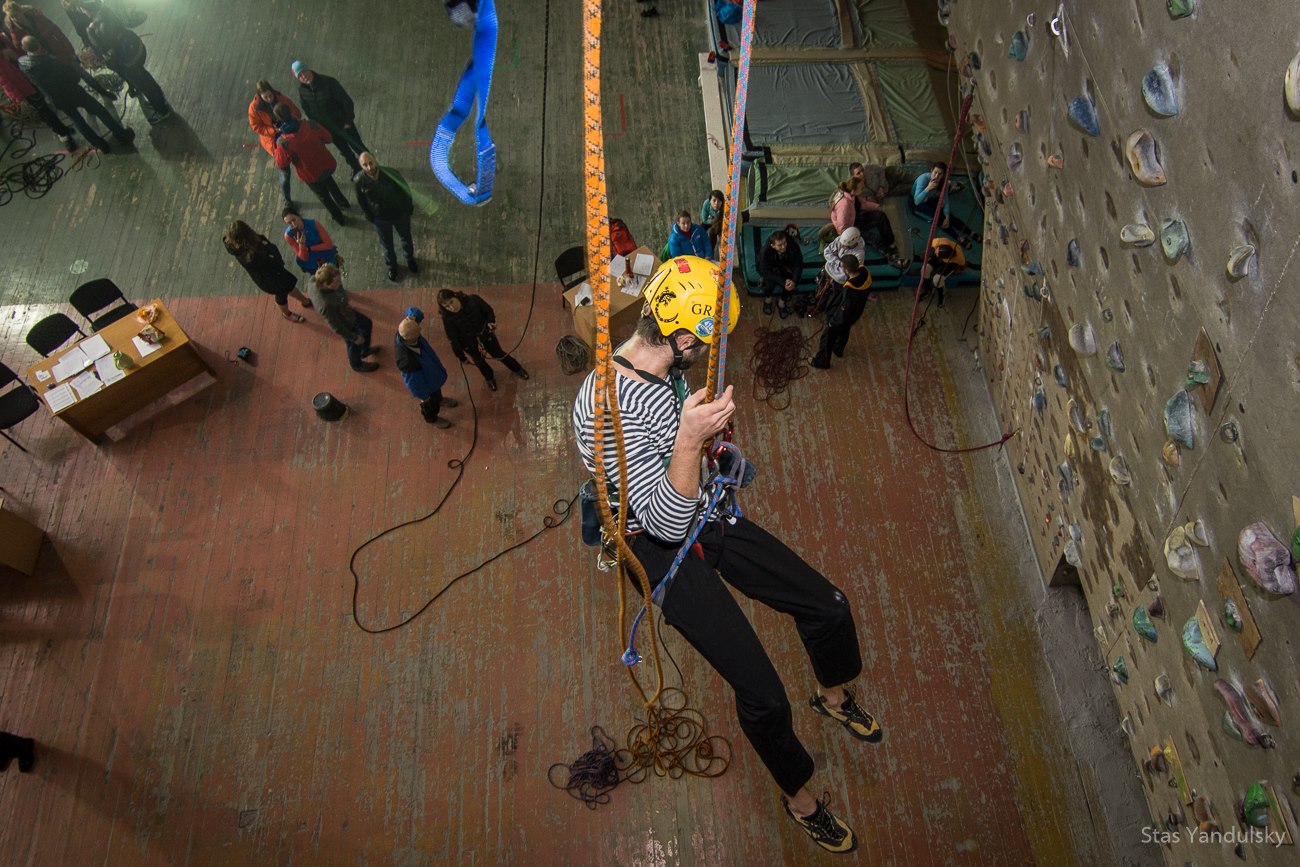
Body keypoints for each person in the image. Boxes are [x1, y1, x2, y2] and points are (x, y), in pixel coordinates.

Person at [571, 255, 881, 855]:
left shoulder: (664, 373)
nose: (711, 348)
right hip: (655, 546)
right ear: (681, 335)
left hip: (703, 508)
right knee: (764, 696)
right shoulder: (606, 409)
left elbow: (682, 474)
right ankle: (800, 801)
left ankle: (834, 697)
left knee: (829, 606)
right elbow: (663, 521)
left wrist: (703, 443)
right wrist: (690, 438)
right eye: (707, 339)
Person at [17, 35, 133, 152]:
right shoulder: (51, 62)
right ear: (38, 44)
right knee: (99, 110)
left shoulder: (23, 64)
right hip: (74, 92)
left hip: (57, 98)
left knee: (78, 121)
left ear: (24, 48)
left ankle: (101, 146)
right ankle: (122, 135)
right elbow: (74, 78)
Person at [4, 1, 111, 98]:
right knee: (70, 83)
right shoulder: (16, 32)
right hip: (47, 62)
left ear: (20, 11)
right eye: (12, 17)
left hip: (60, 52)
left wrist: (70, 51)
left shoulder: (36, 17)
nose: (15, 19)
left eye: (16, 15)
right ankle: (88, 105)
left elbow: (57, 32)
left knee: (83, 74)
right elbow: (21, 50)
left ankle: (103, 92)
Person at [86, 7, 169, 123]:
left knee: (144, 84)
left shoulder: (100, 26)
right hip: (135, 47)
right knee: (146, 77)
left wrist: (90, 32)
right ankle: (161, 100)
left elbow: (101, 48)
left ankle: (162, 111)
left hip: (128, 58)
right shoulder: (105, 11)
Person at [436, 289, 528, 391]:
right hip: (469, 343)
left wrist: (491, 322)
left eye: (451, 302)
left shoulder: (473, 300)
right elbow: (453, 338)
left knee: (499, 353)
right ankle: (489, 378)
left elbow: (488, 311)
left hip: (485, 335)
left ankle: (517, 368)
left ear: (456, 296)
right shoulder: (447, 317)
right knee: (479, 362)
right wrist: (461, 356)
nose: (451, 307)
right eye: (447, 306)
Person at [223, 220, 314, 322]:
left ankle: (304, 301)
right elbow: (274, 260)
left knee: (289, 285)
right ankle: (287, 313)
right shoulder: (254, 253)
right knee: (282, 294)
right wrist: (268, 247)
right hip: (271, 277)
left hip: (265, 277)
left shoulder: (232, 246)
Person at [273, 102, 349, 224]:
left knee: (324, 197)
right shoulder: (310, 124)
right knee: (330, 182)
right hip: (325, 163)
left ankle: (339, 218)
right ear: (291, 112)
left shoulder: (283, 143)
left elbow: (282, 164)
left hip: (310, 173)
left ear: (279, 120)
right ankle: (343, 203)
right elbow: (328, 138)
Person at [353, 151, 418, 282]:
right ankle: (392, 266)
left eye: (370, 163)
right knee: (387, 245)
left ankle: (409, 259)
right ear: (361, 166)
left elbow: (405, 191)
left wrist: (407, 209)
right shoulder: (359, 180)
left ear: (376, 161)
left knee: (406, 237)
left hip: (399, 214)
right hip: (380, 219)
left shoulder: (391, 174)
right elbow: (362, 201)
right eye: (365, 165)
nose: (369, 167)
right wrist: (370, 216)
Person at [292, 61, 367, 174]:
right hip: (329, 130)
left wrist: (348, 120)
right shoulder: (302, 91)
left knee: (359, 147)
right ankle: (356, 168)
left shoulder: (328, 82)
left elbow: (346, 101)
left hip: (344, 125)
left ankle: (374, 167)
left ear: (308, 69)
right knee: (345, 151)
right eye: (300, 75)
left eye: (304, 72)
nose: (304, 76)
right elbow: (307, 109)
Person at [0, 50, 77, 148]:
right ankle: (63, 135)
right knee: (46, 114)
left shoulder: (3, 56)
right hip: (26, 91)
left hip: (29, 86)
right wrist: (20, 98)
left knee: (47, 111)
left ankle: (63, 130)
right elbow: (6, 83)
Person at [395, 311, 457, 428]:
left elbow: (416, 313)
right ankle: (432, 418)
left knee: (437, 394)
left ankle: (439, 399)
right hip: (427, 387)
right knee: (430, 405)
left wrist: (412, 316)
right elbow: (413, 384)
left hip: (433, 378)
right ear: (410, 338)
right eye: (418, 333)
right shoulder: (408, 362)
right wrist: (424, 397)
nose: (420, 333)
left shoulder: (403, 331)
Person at [311, 263, 377, 372]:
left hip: (346, 311)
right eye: (336, 282)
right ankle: (356, 364)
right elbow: (336, 326)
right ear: (327, 284)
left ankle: (364, 349)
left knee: (367, 323)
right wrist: (354, 337)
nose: (340, 283)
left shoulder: (313, 280)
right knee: (353, 345)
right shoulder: (326, 305)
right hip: (345, 322)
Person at [811, 254, 871, 370]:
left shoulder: (850, 293)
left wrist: (832, 322)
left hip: (842, 317)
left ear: (847, 271)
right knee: (845, 330)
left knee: (827, 338)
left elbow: (842, 311)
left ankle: (823, 361)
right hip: (855, 314)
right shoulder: (865, 273)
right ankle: (838, 349)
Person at [248, 79, 300, 205]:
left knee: (300, 158)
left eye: (270, 95)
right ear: (259, 96)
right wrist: (274, 130)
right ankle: (287, 199)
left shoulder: (281, 98)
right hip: (274, 140)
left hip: (289, 134)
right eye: (265, 97)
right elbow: (256, 127)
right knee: (284, 173)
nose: (269, 99)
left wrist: (292, 118)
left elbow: (296, 112)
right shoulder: (254, 109)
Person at [911, 161, 980, 244]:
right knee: (938, 219)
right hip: (917, 204)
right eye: (935, 172)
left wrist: (947, 216)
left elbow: (945, 200)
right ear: (931, 171)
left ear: (943, 175)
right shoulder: (924, 179)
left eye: (940, 174)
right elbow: (916, 201)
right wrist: (928, 188)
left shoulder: (944, 183)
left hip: (930, 199)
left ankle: (970, 232)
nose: (936, 176)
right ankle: (958, 237)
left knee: (949, 217)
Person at [282, 206, 340, 278]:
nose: (293, 224)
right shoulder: (289, 235)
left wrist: (309, 248)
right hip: (311, 262)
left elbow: (328, 245)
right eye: (289, 223)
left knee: (333, 276)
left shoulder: (314, 224)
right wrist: (302, 245)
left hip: (325, 254)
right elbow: (303, 257)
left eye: (294, 220)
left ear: (299, 216)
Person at [757, 227, 804, 317]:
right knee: (769, 283)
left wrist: (794, 281)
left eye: (784, 243)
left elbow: (798, 263)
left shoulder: (792, 245)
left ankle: (781, 301)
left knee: (791, 283)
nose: (784, 247)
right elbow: (767, 271)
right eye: (780, 245)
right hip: (770, 268)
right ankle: (768, 298)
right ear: (772, 245)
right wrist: (783, 281)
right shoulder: (765, 252)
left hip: (784, 264)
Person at [921, 236, 967, 308]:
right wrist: (927, 253)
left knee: (937, 280)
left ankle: (941, 296)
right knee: (925, 269)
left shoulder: (959, 258)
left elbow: (962, 265)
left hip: (951, 263)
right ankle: (927, 290)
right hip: (938, 253)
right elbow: (929, 250)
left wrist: (958, 270)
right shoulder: (938, 242)